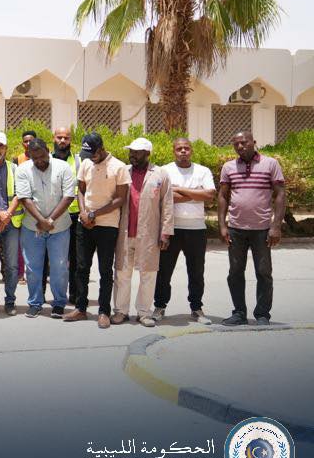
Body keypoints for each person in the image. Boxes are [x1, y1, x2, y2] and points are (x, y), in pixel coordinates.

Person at [218, 130, 286, 326]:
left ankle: (262, 314)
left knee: (263, 272)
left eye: (244, 142)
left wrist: (276, 226)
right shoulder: (228, 167)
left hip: (262, 229)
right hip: (236, 228)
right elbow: (223, 196)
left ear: (254, 142)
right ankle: (239, 313)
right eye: (236, 144)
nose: (240, 146)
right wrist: (222, 225)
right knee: (235, 273)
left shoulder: (270, 164)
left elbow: (280, 194)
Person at [65, 133, 129, 329]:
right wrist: (84, 213)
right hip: (85, 224)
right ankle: (81, 308)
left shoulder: (119, 167)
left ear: (101, 148)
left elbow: (120, 199)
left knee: (105, 270)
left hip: (107, 225)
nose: (90, 158)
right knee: (81, 267)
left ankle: (103, 312)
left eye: (93, 153)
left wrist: (95, 214)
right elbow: (81, 190)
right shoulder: (86, 163)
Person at [112, 138, 173, 327]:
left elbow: (167, 205)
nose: (132, 155)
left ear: (147, 154)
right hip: (124, 233)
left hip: (149, 234)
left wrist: (165, 232)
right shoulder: (124, 172)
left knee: (148, 274)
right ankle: (121, 311)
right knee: (122, 273)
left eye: (136, 152)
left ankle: (144, 313)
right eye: (131, 151)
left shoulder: (160, 174)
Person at [154, 138, 215, 324]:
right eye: (179, 148)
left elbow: (209, 195)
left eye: (186, 148)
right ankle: (159, 306)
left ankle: (196, 308)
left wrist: (180, 189)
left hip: (196, 229)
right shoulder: (165, 170)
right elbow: (165, 196)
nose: (183, 151)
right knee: (164, 271)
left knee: (196, 272)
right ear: (173, 151)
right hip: (170, 228)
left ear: (191, 151)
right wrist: (196, 193)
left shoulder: (203, 171)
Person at [16, 138, 76, 319]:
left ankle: (59, 303)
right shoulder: (23, 169)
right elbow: (24, 198)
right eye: (35, 158)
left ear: (48, 150)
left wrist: (49, 220)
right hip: (32, 227)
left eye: (42, 156)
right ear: (29, 156)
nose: (39, 161)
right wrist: (41, 221)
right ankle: (35, 303)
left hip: (60, 227)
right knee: (32, 268)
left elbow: (68, 196)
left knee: (59, 267)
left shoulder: (63, 168)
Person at [0, 132, 23, 315]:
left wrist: (7, 215)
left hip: (11, 222)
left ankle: (10, 301)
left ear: (6, 148)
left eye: (1, 146)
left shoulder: (14, 168)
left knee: (12, 265)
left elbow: (19, 193)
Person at [52, 127, 81, 302]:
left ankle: (74, 295)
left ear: (70, 140)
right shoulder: (47, 159)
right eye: (59, 137)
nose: (62, 141)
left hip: (74, 215)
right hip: (53, 216)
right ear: (53, 138)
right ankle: (43, 296)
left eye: (66, 138)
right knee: (50, 258)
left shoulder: (78, 161)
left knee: (75, 258)